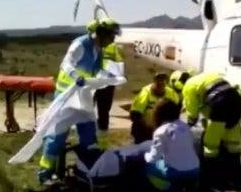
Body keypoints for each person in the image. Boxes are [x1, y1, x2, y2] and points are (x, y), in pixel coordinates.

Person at [38, 17, 120, 185]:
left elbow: (95, 70)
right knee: (57, 135)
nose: (113, 40)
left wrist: (107, 77)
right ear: (101, 33)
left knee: (89, 134)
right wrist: (76, 76)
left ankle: (88, 169)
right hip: (66, 96)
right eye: (111, 36)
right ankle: (45, 173)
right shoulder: (80, 44)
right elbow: (66, 64)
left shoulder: (99, 48)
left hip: (83, 97)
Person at [181, 72, 241, 187]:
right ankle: (235, 178)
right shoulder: (206, 78)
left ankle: (209, 178)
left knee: (211, 145)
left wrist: (189, 125)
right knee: (232, 143)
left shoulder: (188, 86)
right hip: (236, 101)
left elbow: (192, 112)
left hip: (221, 103)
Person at [144, 98, 200, 191]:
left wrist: (145, 156)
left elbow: (153, 158)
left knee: (147, 166)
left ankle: (167, 188)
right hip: (195, 169)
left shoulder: (160, 131)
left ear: (158, 114)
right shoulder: (186, 126)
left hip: (176, 172)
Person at [87, 19, 125, 131]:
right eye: (111, 34)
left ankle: (102, 142)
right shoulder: (87, 45)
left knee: (104, 113)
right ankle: (88, 139)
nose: (113, 38)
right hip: (91, 83)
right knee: (86, 111)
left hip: (107, 84)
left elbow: (118, 61)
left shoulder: (112, 46)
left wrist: (119, 77)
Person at [130, 73, 179, 143]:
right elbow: (135, 114)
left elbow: (176, 111)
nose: (160, 87)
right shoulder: (145, 92)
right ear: (154, 82)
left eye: (162, 84)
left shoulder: (171, 93)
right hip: (145, 130)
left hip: (163, 130)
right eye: (158, 84)